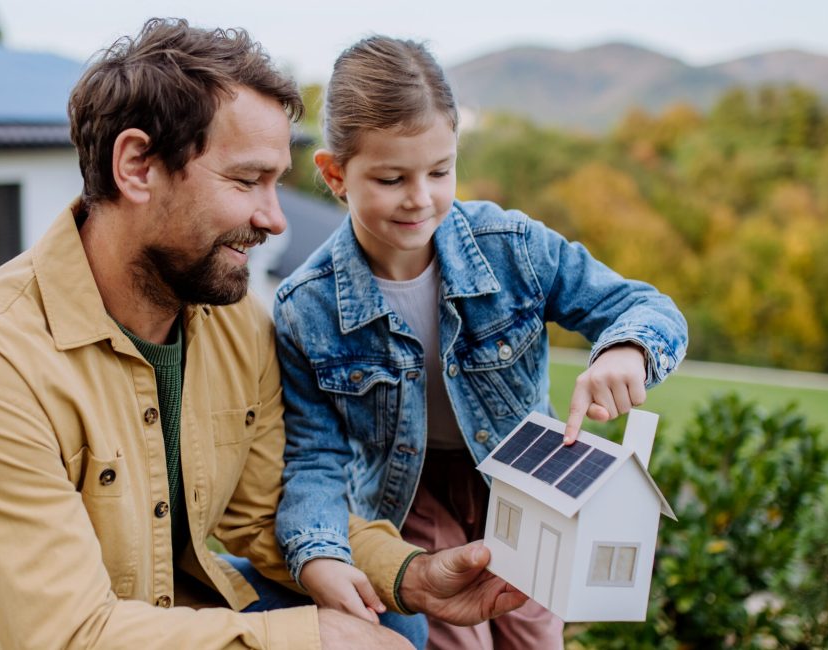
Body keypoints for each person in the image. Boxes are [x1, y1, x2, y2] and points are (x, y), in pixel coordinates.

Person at [0, 19, 528, 650]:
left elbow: (270, 510)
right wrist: (304, 639)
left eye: (275, 184)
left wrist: (409, 573)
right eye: (246, 181)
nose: (274, 220)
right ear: (137, 166)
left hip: (147, 610)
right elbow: (65, 636)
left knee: (386, 611)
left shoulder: (232, 323)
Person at [272, 36, 688, 649]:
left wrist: (627, 349)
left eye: (440, 171)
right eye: (391, 178)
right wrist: (319, 552)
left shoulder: (512, 247)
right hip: (405, 498)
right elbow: (313, 456)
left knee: (533, 632)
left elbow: (644, 306)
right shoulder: (307, 307)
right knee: (455, 639)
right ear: (335, 174)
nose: (421, 197)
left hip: (523, 479)